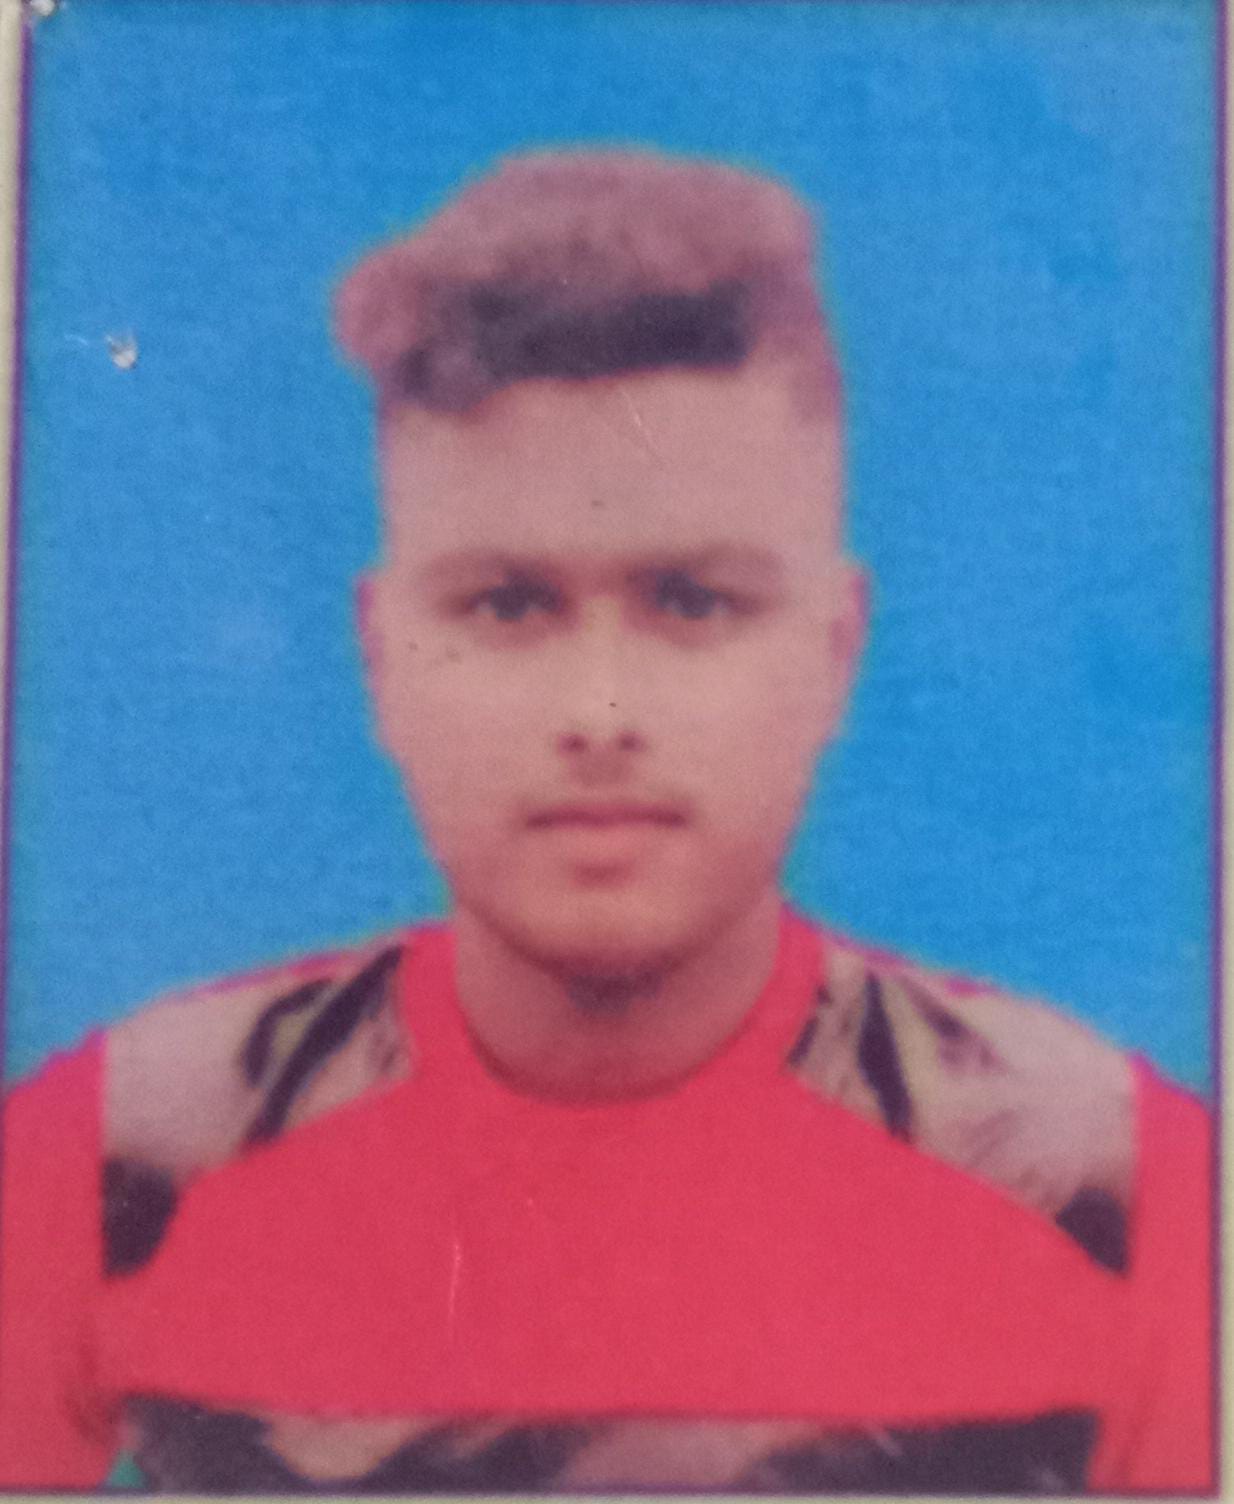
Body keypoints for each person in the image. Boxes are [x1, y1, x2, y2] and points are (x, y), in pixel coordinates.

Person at [0, 150, 1212, 1493]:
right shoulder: (114, 1163)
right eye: (507, 604)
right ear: (381, 657)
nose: (598, 712)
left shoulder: (1120, 1194)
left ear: (835, 651)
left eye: (693, 601)